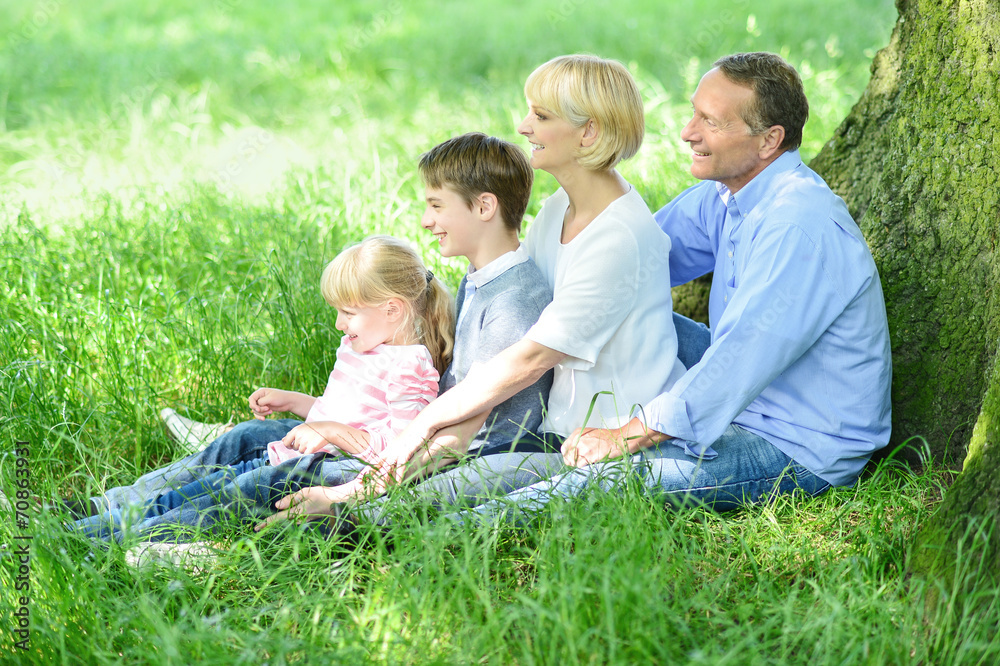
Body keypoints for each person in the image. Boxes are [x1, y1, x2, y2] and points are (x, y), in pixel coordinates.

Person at [414, 52, 894, 526]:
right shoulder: (727, 195)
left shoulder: (798, 226)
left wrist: (625, 435)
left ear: (769, 140)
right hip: (751, 388)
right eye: (693, 113)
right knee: (627, 315)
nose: (688, 132)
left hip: (795, 439)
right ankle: (486, 441)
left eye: (710, 121)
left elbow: (736, 364)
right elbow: (632, 268)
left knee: (603, 479)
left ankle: (440, 533)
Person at [257, 54, 688, 528]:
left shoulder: (617, 238)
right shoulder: (560, 208)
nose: (524, 126)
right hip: (542, 428)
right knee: (353, 474)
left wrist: (410, 438)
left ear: (589, 132)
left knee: (391, 514)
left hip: (587, 445)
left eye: (541, 116)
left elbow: (523, 361)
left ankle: (225, 538)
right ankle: (234, 468)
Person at [73, 132, 557, 543]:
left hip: (426, 463)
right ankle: (105, 507)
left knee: (264, 479)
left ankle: (108, 537)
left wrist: (364, 478)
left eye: (436, 205)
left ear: (484, 207)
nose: (426, 221)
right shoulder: (481, 278)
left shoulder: (515, 302)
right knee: (249, 437)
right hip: (393, 442)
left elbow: (462, 438)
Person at [71, 235, 454, 537]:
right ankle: (99, 511)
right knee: (217, 465)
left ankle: (92, 537)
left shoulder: (410, 370)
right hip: (296, 452)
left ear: (392, 309)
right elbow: (346, 412)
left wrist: (330, 430)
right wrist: (298, 402)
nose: (339, 324)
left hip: (326, 470)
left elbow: (399, 448)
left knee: (203, 499)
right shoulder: (365, 344)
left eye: (348, 313)